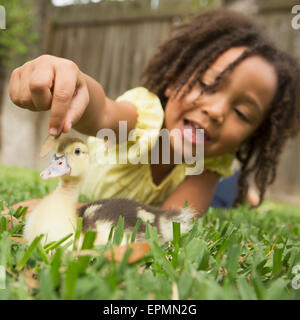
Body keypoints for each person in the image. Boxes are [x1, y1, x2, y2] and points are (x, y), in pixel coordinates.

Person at [8, 9, 300, 217]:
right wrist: (77, 87)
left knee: (223, 199)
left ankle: (241, 191)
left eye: (242, 113)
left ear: (253, 135)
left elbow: (171, 220)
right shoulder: (144, 117)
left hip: (211, 181)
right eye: (208, 84)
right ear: (174, 83)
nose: (216, 111)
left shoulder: (212, 163)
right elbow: (105, 113)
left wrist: (76, 213)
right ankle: (242, 191)